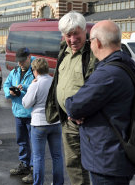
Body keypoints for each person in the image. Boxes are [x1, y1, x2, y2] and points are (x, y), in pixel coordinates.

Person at [65, 20, 135, 185]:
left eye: (91, 41)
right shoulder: (124, 65)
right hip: (117, 154)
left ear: (97, 42)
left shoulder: (108, 73)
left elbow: (74, 105)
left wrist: (74, 110)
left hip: (107, 159)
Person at [45, 11, 96, 185]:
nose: (73, 39)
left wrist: (83, 110)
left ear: (84, 31)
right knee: (73, 164)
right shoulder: (63, 52)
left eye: (76, 34)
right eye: (68, 35)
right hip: (67, 121)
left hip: (87, 121)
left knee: (96, 165)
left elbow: (96, 88)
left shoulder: (92, 54)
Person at [22, 58, 64, 185]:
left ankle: (38, 183)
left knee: (38, 157)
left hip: (39, 123)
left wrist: (30, 86)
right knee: (57, 156)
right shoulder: (55, 82)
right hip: (55, 122)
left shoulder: (35, 84)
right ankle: (58, 183)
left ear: (35, 71)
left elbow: (26, 104)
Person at [3, 47, 35, 184]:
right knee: (22, 141)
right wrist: (9, 92)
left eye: (22, 61)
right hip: (18, 112)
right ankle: (24, 165)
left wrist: (23, 89)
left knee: (34, 142)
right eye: (19, 61)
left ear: (29, 57)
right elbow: (6, 84)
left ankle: (34, 169)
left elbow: (39, 87)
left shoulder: (35, 70)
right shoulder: (15, 71)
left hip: (31, 113)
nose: (20, 63)